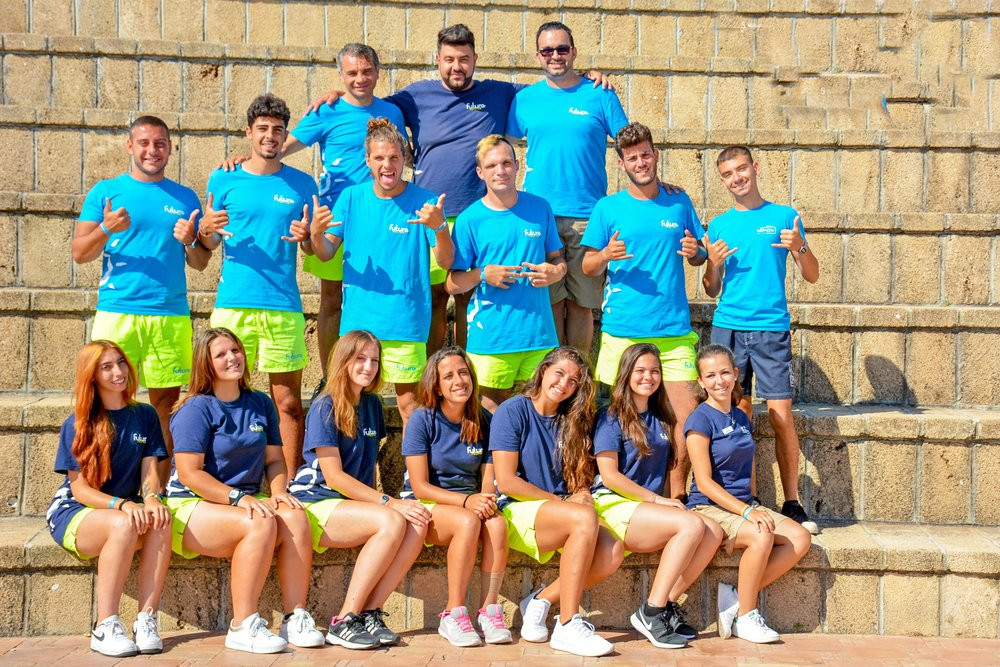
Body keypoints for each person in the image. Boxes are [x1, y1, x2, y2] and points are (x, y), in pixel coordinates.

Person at [308, 24, 613, 351]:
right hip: (430, 215)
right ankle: (433, 370)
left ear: (475, 59)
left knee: (470, 297)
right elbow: (369, 102)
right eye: (449, 59)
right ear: (438, 60)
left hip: (475, 216)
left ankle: (468, 370)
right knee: (436, 298)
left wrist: (587, 76)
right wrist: (338, 96)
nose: (457, 66)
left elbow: (554, 85)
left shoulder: (498, 92)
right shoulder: (414, 96)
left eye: (464, 59)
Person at [163, 328, 324, 654]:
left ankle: (295, 618)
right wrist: (237, 497)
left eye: (235, 350)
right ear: (205, 363)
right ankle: (243, 625)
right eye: (221, 354)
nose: (232, 358)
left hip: (243, 499)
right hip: (193, 501)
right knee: (260, 522)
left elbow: (275, 460)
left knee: (295, 515)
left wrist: (278, 490)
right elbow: (190, 474)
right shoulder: (196, 408)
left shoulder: (260, 403)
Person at [71, 115, 210, 481]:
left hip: (170, 316)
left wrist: (190, 241)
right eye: (144, 143)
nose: (152, 150)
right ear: (130, 146)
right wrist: (106, 227)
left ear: (170, 148)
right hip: (118, 313)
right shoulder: (106, 192)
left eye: (160, 143)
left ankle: (158, 491)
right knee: (106, 402)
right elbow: (80, 253)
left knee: (166, 406)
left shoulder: (185, 197)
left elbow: (200, 263)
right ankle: (101, 486)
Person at [197, 93, 323, 478]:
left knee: (287, 403)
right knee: (221, 398)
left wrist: (307, 238)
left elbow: (312, 247)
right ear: (248, 132)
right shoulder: (223, 177)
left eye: (278, 129)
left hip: (283, 306)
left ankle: (289, 485)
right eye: (263, 128)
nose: (270, 136)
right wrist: (204, 230)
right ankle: (218, 480)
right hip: (233, 305)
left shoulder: (303, 184)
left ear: (285, 135)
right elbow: (209, 241)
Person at [581, 122, 706, 499]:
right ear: (621, 164)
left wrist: (696, 253)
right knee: (615, 418)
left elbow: (699, 253)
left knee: (688, 417)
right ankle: (614, 491)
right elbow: (587, 266)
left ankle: (677, 496)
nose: (641, 162)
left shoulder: (679, 201)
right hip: (623, 331)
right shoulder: (607, 207)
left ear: (656, 155)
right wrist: (606, 254)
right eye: (632, 158)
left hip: (673, 332)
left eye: (646, 155)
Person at [703, 146, 821, 534]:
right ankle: (747, 500)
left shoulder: (785, 217)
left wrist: (799, 246)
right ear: (722, 180)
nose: (736, 178)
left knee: (781, 415)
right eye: (727, 174)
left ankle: (793, 502)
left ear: (755, 168)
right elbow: (711, 288)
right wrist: (713, 264)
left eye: (741, 169)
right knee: (738, 416)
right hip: (729, 328)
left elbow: (812, 275)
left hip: (771, 329)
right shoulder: (719, 225)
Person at [288, 330, 429, 648]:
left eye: (374, 360)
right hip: (316, 501)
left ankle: (369, 612)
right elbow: (335, 477)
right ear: (343, 360)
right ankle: (344, 620)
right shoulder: (325, 406)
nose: (368, 366)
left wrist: (385, 503)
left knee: (418, 522)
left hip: (350, 504)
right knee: (391, 519)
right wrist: (388, 502)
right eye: (360, 358)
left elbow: (366, 466)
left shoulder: (372, 404)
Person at [309, 118, 453, 426]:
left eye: (393, 157)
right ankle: (344, 458)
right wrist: (315, 234)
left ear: (404, 158)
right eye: (379, 158)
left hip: (406, 324)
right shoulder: (351, 198)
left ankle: (416, 461)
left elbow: (446, 261)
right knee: (348, 402)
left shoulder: (425, 202)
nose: (387, 165)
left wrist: (440, 227)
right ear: (367, 160)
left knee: (410, 406)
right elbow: (326, 252)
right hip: (358, 325)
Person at [280, 44, 406, 395]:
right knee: (332, 300)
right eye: (351, 73)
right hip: (334, 220)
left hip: (379, 220)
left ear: (378, 72)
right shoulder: (327, 110)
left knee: (380, 293)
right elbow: (282, 147)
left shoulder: (392, 112)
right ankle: (329, 377)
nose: (359, 79)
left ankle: (375, 376)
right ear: (341, 75)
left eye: (366, 71)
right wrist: (243, 159)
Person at [506, 21, 629, 356]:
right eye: (547, 50)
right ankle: (553, 375)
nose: (555, 55)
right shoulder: (524, 99)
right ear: (538, 56)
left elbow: (629, 144)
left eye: (562, 49)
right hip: (538, 216)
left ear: (573, 52)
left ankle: (578, 376)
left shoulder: (600, 93)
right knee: (548, 302)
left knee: (581, 304)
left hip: (587, 216)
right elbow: (502, 147)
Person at [490, 346, 622, 657]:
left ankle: (541, 601)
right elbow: (506, 481)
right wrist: (561, 503)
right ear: (543, 370)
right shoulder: (512, 411)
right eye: (559, 374)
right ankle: (567, 624)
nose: (564, 384)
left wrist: (583, 494)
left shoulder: (572, 418)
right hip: (516, 507)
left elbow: (579, 477)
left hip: (560, 510)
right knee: (583, 518)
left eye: (573, 381)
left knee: (613, 550)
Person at [592, 343, 723, 649]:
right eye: (640, 370)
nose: (648, 377)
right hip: (612, 503)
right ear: (626, 374)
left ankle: (665, 605)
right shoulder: (610, 417)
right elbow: (610, 476)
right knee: (691, 525)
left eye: (654, 371)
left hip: (644, 509)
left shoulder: (662, 417)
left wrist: (661, 502)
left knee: (713, 531)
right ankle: (651, 612)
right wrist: (660, 501)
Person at [46, 341, 171, 657]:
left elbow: (150, 471)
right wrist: (122, 504)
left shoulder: (144, 414)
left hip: (124, 508)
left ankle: (146, 620)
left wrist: (152, 498)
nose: (118, 371)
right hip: (76, 510)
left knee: (162, 519)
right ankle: (105, 625)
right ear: (92, 376)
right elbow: (80, 490)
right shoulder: (78, 422)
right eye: (107, 367)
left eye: (121, 362)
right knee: (123, 524)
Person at [685, 344, 811, 644]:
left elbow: (747, 467)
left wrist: (752, 505)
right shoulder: (699, 420)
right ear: (701, 381)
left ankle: (736, 597)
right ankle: (746, 616)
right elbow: (704, 483)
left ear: (735, 373)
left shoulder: (740, 417)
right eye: (711, 375)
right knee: (761, 535)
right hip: (710, 507)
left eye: (724, 373)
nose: (719, 381)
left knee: (800, 538)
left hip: (743, 504)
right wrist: (747, 512)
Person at [401, 346, 511, 646]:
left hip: (469, 502)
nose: (459, 381)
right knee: (467, 521)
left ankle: (489, 610)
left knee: (497, 524)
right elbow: (420, 486)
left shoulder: (483, 419)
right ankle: (453, 613)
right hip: (428, 504)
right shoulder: (422, 419)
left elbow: (488, 476)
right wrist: (466, 502)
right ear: (436, 386)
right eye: (448, 376)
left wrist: (485, 500)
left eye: (463, 373)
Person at [446, 135, 564, 412]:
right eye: (492, 165)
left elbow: (558, 259)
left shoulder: (540, 208)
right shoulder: (469, 219)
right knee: (490, 418)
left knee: (541, 417)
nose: (500, 171)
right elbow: (452, 284)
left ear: (517, 165)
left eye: (506, 163)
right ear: (480, 172)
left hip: (539, 336)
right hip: (491, 339)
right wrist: (483, 274)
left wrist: (556, 272)